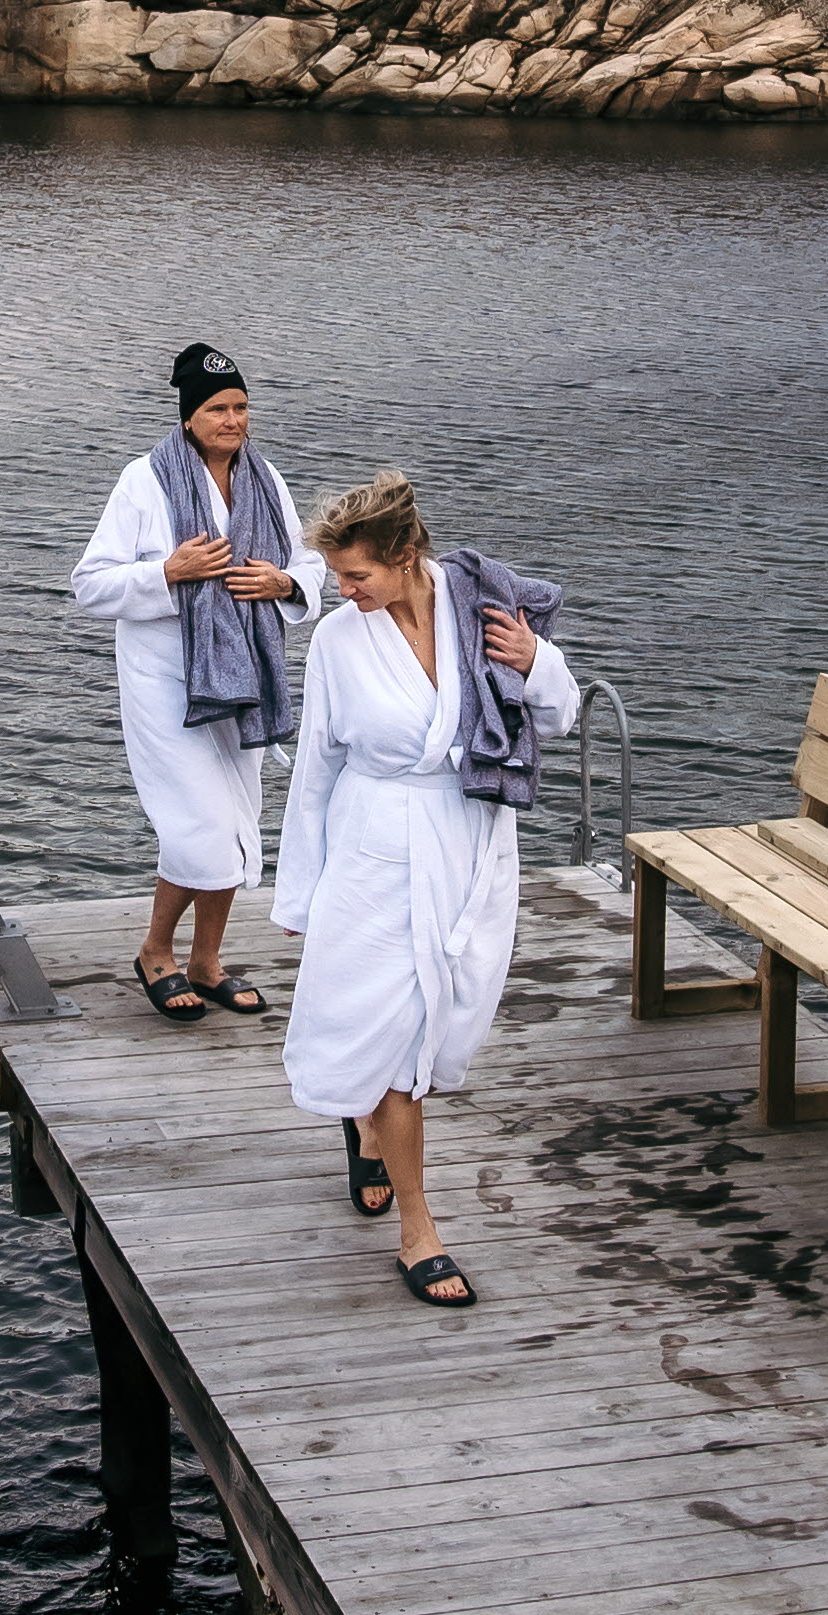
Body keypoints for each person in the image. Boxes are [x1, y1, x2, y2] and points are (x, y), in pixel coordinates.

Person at [273, 472, 579, 1306]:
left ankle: (367, 1127)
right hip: (374, 849)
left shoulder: (483, 610)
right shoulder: (339, 641)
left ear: (405, 556)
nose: (344, 591)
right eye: (337, 576)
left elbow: (559, 714)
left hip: (471, 844)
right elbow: (317, 770)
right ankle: (420, 1231)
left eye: (357, 574)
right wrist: (300, 895)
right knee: (402, 1048)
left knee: (446, 1023)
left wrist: (538, 660)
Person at [72, 343, 326, 1025]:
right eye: (218, 408)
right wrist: (169, 573)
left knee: (238, 825)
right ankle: (157, 950)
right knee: (201, 829)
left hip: (243, 674)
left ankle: (206, 960)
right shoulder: (143, 482)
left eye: (242, 406)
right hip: (166, 682)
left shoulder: (265, 478)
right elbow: (90, 584)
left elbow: (308, 562)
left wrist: (283, 583)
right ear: (189, 417)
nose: (233, 419)